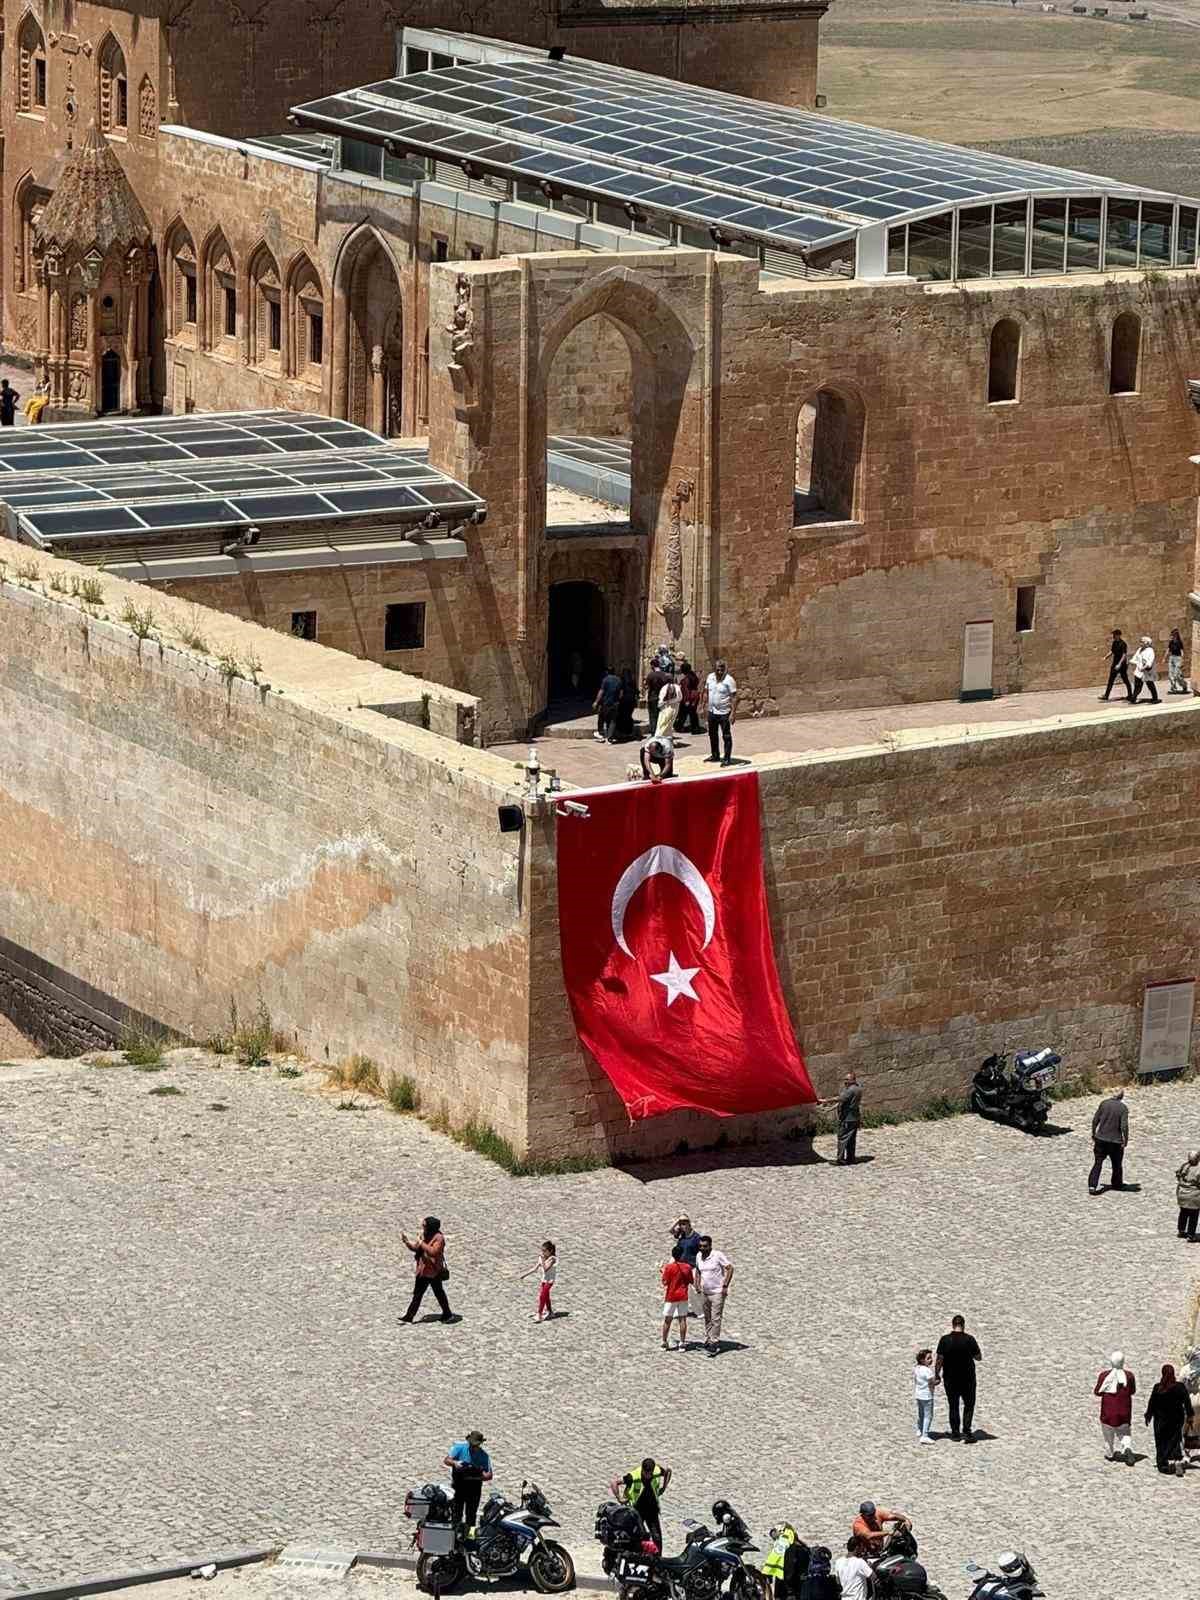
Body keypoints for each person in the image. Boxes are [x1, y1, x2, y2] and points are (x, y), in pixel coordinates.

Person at [935, 1315, 982, 1441]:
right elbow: (978, 1357)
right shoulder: (970, 1339)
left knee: (953, 1405)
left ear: (953, 1325)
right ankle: (967, 1431)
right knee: (969, 1405)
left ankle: (955, 1433)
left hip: (950, 1378)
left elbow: (939, 1359)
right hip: (968, 1378)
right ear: (963, 1325)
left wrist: (937, 1374)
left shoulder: (945, 1340)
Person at [400, 1215, 453, 1323]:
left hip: (433, 1271)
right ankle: (409, 1316)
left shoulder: (439, 1238)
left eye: (424, 1225)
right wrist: (407, 1242)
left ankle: (447, 1314)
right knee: (418, 1294)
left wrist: (421, 1243)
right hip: (423, 1271)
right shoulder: (425, 1235)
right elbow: (416, 1248)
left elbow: (433, 1252)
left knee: (439, 1293)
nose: (422, 1227)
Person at [611, 1458, 671, 1552]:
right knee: (637, 1536)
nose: (648, 1476)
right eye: (646, 1473)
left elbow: (668, 1471)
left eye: (650, 1473)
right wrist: (619, 1498)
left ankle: (658, 1558)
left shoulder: (657, 1471)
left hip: (652, 1509)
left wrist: (664, 1487)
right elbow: (614, 1483)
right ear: (642, 1469)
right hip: (637, 1511)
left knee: (657, 1537)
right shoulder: (633, 1477)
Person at [1144, 1363, 1193, 1475]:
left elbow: (1152, 1403)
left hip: (1160, 1421)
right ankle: (1177, 1460)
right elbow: (1187, 1402)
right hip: (1176, 1420)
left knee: (1161, 1442)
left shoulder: (1158, 1388)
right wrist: (1190, 1416)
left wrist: (1148, 1415)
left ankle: (1163, 1464)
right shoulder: (1180, 1387)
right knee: (1174, 1440)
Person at [694, 1234, 734, 1357]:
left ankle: (714, 1341)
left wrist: (725, 1285)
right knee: (707, 1317)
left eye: (704, 1246)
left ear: (710, 1246)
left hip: (717, 1292)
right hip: (705, 1292)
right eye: (700, 1246)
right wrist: (697, 1283)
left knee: (716, 1318)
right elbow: (698, 1270)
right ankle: (708, 1338)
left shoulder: (717, 1255)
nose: (702, 1248)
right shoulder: (699, 1256)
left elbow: (730, 1268)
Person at [1095, 1351, 1136, 1464]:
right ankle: (1127, 1448)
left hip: (1108, 1413)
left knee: (1108, 1435)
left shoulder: (1104, 1376)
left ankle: (1110, 1454)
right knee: (1125, 1433)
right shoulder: (1129, 1376)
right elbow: (1132, 1391)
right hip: (1124, 1412)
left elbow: (1097, 1392)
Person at [445, 1431, 492, 1528]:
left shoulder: (484, 1456)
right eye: (471, 1445)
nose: (472, 1447)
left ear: (480, 1444)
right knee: (456, 1513)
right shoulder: (459, 1448)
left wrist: (476, 1476)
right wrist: (455, 1463)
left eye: (475, 1445)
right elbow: (447, 1460)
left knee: (471, 1515)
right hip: (458, 1486)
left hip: (474, 1488)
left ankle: (469, 1535)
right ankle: (455, 1532)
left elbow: (489, 1475)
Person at [1088, 1088, 1129, 1194]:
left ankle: (1092, 1185)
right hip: (1115, 1141)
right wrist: (1125, 1139)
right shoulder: (1123, 1108)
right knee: (1117, 1164)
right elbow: (1124, 1126)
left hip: (1101, 1139)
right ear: (1121, 1096)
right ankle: (1117, 1184)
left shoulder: (1104, 1104)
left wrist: (1093, 1133)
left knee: (1098, 1163)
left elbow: (1095, 1120)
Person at [702, 659, 738, 766]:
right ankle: (715, 755)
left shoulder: (729, 680)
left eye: (722, 669)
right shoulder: (710, 677)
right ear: (714, 669)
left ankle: (727, 758)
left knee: (726, 736)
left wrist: (733, 713)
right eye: (718, 669)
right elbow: (706, 692)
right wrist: (703, 705)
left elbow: (734, 697)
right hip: (712, 711)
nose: (720, 672)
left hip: (724, 712)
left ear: (725, 669)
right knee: (712, 734)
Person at [822, 1072, 862, 1165]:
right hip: (854, 1118)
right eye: (845, 1079)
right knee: (851, 1140)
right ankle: (851, 1158)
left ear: (853, 1080)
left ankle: (840, 1160)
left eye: (847, 1079)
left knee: (842, 1138)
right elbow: (844, 1101)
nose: (845, 1081)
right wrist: (830, 1109)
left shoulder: (850, 1090)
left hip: (847, 1118)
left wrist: (825, 1101)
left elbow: (840, 1099)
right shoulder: (858, 1088)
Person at [762, 1524, 810, 1600]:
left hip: (783, 1591)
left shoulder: (780, 1547)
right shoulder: (804, 1549)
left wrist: (767, 1576)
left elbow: (770, 1564)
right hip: (797, 1591)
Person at [660, 1244, 692, 1351]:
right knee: (682, 1320)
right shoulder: (687, 1267)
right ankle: (682, 1343)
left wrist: (663, 1272)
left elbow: (665, 1282)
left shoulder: (669, 1267)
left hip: (671, 1296)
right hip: (683, 1295)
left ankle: (664, 1342)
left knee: (667, 1320)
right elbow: (690, 1280)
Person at [519, 1239, 557, 1321]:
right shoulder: (541, 1258)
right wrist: (524, 1275)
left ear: (550, 1251)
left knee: (542, 1296)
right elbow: (535, 1268)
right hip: (544, 1280)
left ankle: (539, 1314)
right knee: (546, 1297)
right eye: (542, 1250)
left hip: (550, 1281)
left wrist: (542, 1260)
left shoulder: (552, 1259)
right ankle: (550, 1312)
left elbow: (546, 1269)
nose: (543, 1253)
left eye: (545, 1251)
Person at [1099, 629, 1133, 702]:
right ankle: (1106, 695)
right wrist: (1105, 657)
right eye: (1113, 635)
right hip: (1115, 664)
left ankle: (1130, 695)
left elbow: (1124, 655)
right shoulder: (1114, 642)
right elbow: (1112, 651)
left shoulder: (1123, 644)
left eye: (1114, 635)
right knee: (1111, 680)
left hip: (1122, 665)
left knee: (1125, 679)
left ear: (1118, 635)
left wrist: (1119, 664)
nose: (1113, 636)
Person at [913, 1348, 937, 1443]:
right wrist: (937, 1382)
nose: (931, 1360)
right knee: (928, 1416)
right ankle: (925, 1435)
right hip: (927, 1396)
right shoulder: (927, 1371)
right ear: (922, 1360)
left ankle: (919, 1429)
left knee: (921, 1414)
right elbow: (931, 1382)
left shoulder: (917, 1368)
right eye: (928, 1358)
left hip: (919, 1394)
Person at [594, 667, 622, 743]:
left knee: (601, 718)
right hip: (615, 704)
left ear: (607, 672)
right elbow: (621, 693)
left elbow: (601, 691)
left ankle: (601, 734)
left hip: (606, 703)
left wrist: (596, 702)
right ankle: (610, 738)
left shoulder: (605, 679)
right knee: (612, 721)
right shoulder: (619, 680)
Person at [1177, 1149, 1200, 1241]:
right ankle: (1191, 1235)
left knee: (1183, 1213)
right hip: (1194, 1196)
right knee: (1193, 1215)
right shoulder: (1198, 1169)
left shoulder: (1184, 1166)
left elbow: (1178, 1175)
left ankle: (1181, 1231)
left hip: (1182, 1193)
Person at [1130, 635, 1159, 704]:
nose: (1141, 643)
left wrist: (1144, 667)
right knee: (1137, 686)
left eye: (1142, 642)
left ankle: (1155, 699)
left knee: (1150, 685)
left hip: (1146, 671)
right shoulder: (1139, 649)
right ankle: (1133, 698)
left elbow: (1150, 662)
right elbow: (1135, 658)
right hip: (1139, 670)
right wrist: (1131, 661)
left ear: (1147, 643)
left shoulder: (1150, 651)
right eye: (1140, 641)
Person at [644, 658, 668, 736]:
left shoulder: (651, 675)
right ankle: (661, 731)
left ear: (652, 665)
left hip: (653, 697)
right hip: (662, 697)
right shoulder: (664, 675)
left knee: (653, 715)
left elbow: (646, 686)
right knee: (661, 715)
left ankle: (654, 732)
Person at [677, 660, 702, 734]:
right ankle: (695, 728)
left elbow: (686, 690)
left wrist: (686, 700)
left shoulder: (686, 679)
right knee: (692, 713)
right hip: (694, 696)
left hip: (689, 697)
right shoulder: (693, 676)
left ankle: (680, 727)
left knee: (683, 713)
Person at [617, 668, 638, 741]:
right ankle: (629, 732)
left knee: (622, 716)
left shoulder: (621, 681)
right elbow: (636, 691)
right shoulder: (632, 681)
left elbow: (620, 692)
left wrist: (618, 699)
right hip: (631, 701)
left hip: (624, 701)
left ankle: (622, 733)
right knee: (628, 716)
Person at [1166, 628, 1187, 694]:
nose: (1172, 636)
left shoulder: (1179, 642)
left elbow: (1182, 651)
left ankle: (1184, 685)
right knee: (1170, 674)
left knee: (1177, 675)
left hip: (1178, 658)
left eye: (1173, 635)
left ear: (1176, 635)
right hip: (1172, 658)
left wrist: (1182, 659)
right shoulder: (1171, 642)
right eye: (1171, 635)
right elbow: (1168, 650)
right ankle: (1173, 688)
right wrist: (1164, 658)